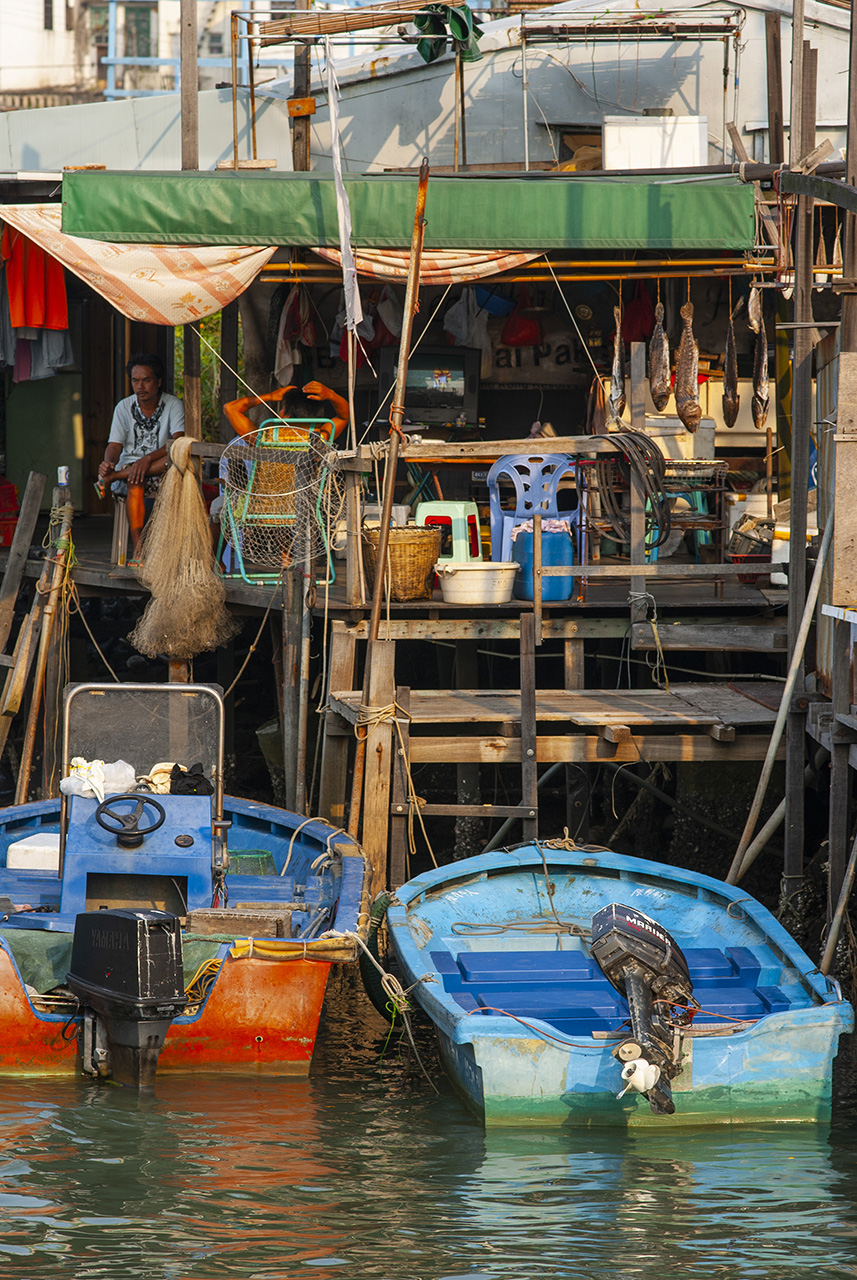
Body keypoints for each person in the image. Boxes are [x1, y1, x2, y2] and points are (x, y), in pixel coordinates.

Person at [98, 353, 185, 563]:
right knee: (135, 480)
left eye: (146, 380)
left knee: (175, 459)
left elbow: (178, 441)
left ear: (159, 381)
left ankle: (118, 475)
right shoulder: (123, 407)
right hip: (131, 471)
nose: (140, 386)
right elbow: (114, 445)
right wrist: (108, 463)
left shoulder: (173, 404)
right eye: (135, 381)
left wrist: (146, 460)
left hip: (163, 466)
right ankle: (139, 549)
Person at [223, 381, 349, 441]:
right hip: (308, 493)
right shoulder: (320, 439)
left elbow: (230, 408)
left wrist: (270, 396)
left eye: (282, 408)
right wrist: (331, 395)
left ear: (287, 417)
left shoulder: (265, 441)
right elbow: (344, 416)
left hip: (268, 494)